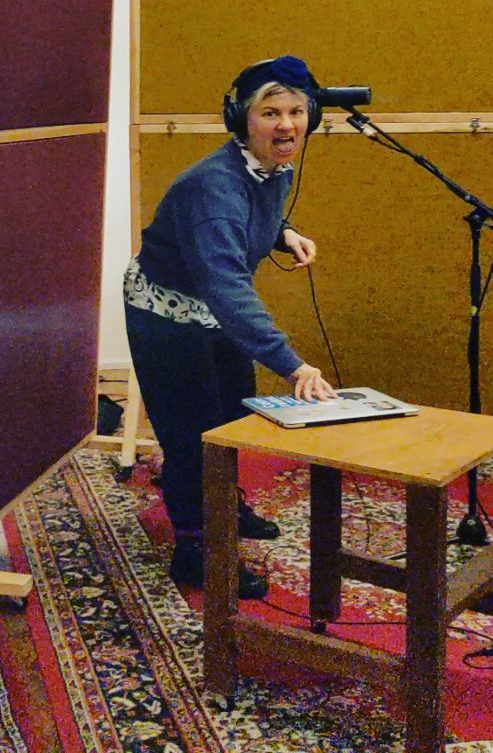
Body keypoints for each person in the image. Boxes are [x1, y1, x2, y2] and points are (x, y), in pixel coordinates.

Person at [123, 54, 336, 598]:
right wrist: (292, 365)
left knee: (232, 415)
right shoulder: (213, 187)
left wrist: (283, 233)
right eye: (270, 112)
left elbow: (254, 212)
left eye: (296, 112)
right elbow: (227, 288)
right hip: (166, 313)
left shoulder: (268, 167)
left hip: (211, 307)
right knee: (192, 434)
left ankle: (223, 504)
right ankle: (197, 549)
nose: (286, 125)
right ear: (242, 119)